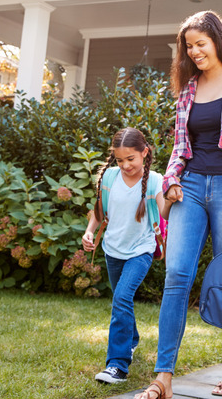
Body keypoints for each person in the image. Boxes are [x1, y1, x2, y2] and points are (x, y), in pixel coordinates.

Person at [133, 10, 222, 399]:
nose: (194, 51)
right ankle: (163, 376)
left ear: (217, 40)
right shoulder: (187, 91)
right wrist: (173, 180)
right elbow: (181, 147)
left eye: (200, 43)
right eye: (188, 46)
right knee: (177, 276)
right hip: (192, 187)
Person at [82, 127, 169, 384]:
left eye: (131, 159)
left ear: (145, 153)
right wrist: (89, 231)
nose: (125, 165)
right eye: (120, 160)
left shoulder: (154, 180)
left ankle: (117, 365)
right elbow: (99, 209)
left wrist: (172, 194)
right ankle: (131, 340)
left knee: (121, 298)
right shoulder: (109, 177)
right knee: (122, 301)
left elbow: (164, 212)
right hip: (112, 249)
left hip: (141, 250)